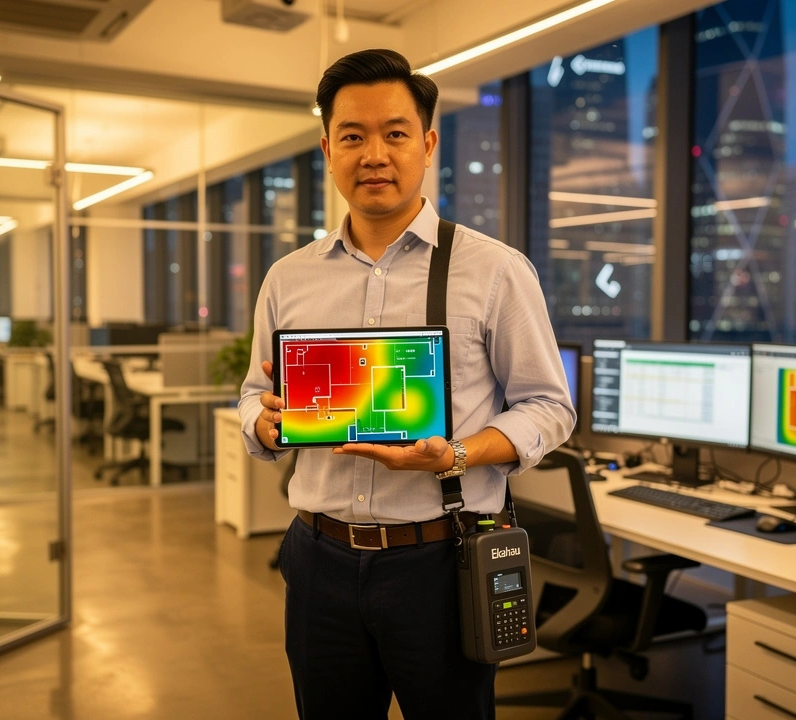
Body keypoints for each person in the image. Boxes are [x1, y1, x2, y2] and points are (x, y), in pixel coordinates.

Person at [238, 48, 575, 720]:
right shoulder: (288, 277)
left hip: (440, 563)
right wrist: (264, 421)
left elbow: (549, 407)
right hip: (317, 559)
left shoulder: (495, 271)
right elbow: (253, 392)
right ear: (327, 148)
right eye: (353, 137)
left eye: (394, 134)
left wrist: (455, 453)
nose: (374, 155)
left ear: (426, 145)